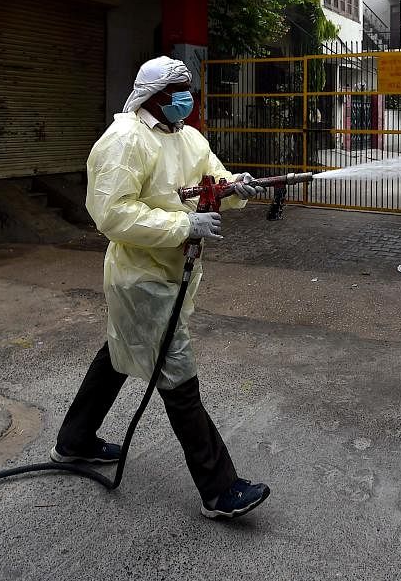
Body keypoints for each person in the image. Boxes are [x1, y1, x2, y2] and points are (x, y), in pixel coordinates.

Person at [51, 56, 270, 520]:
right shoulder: (126, 140)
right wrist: (182, 226)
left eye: (189, 92)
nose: (187, 101)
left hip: (170, 273)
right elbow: (112, 213)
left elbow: (212, 180)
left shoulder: (189, 138)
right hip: (140, 277)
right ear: (154, 97)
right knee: (177, 374)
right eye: (178, 93)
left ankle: (74, 442)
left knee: (118, 352)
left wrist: (236, 187)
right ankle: (219, 489)